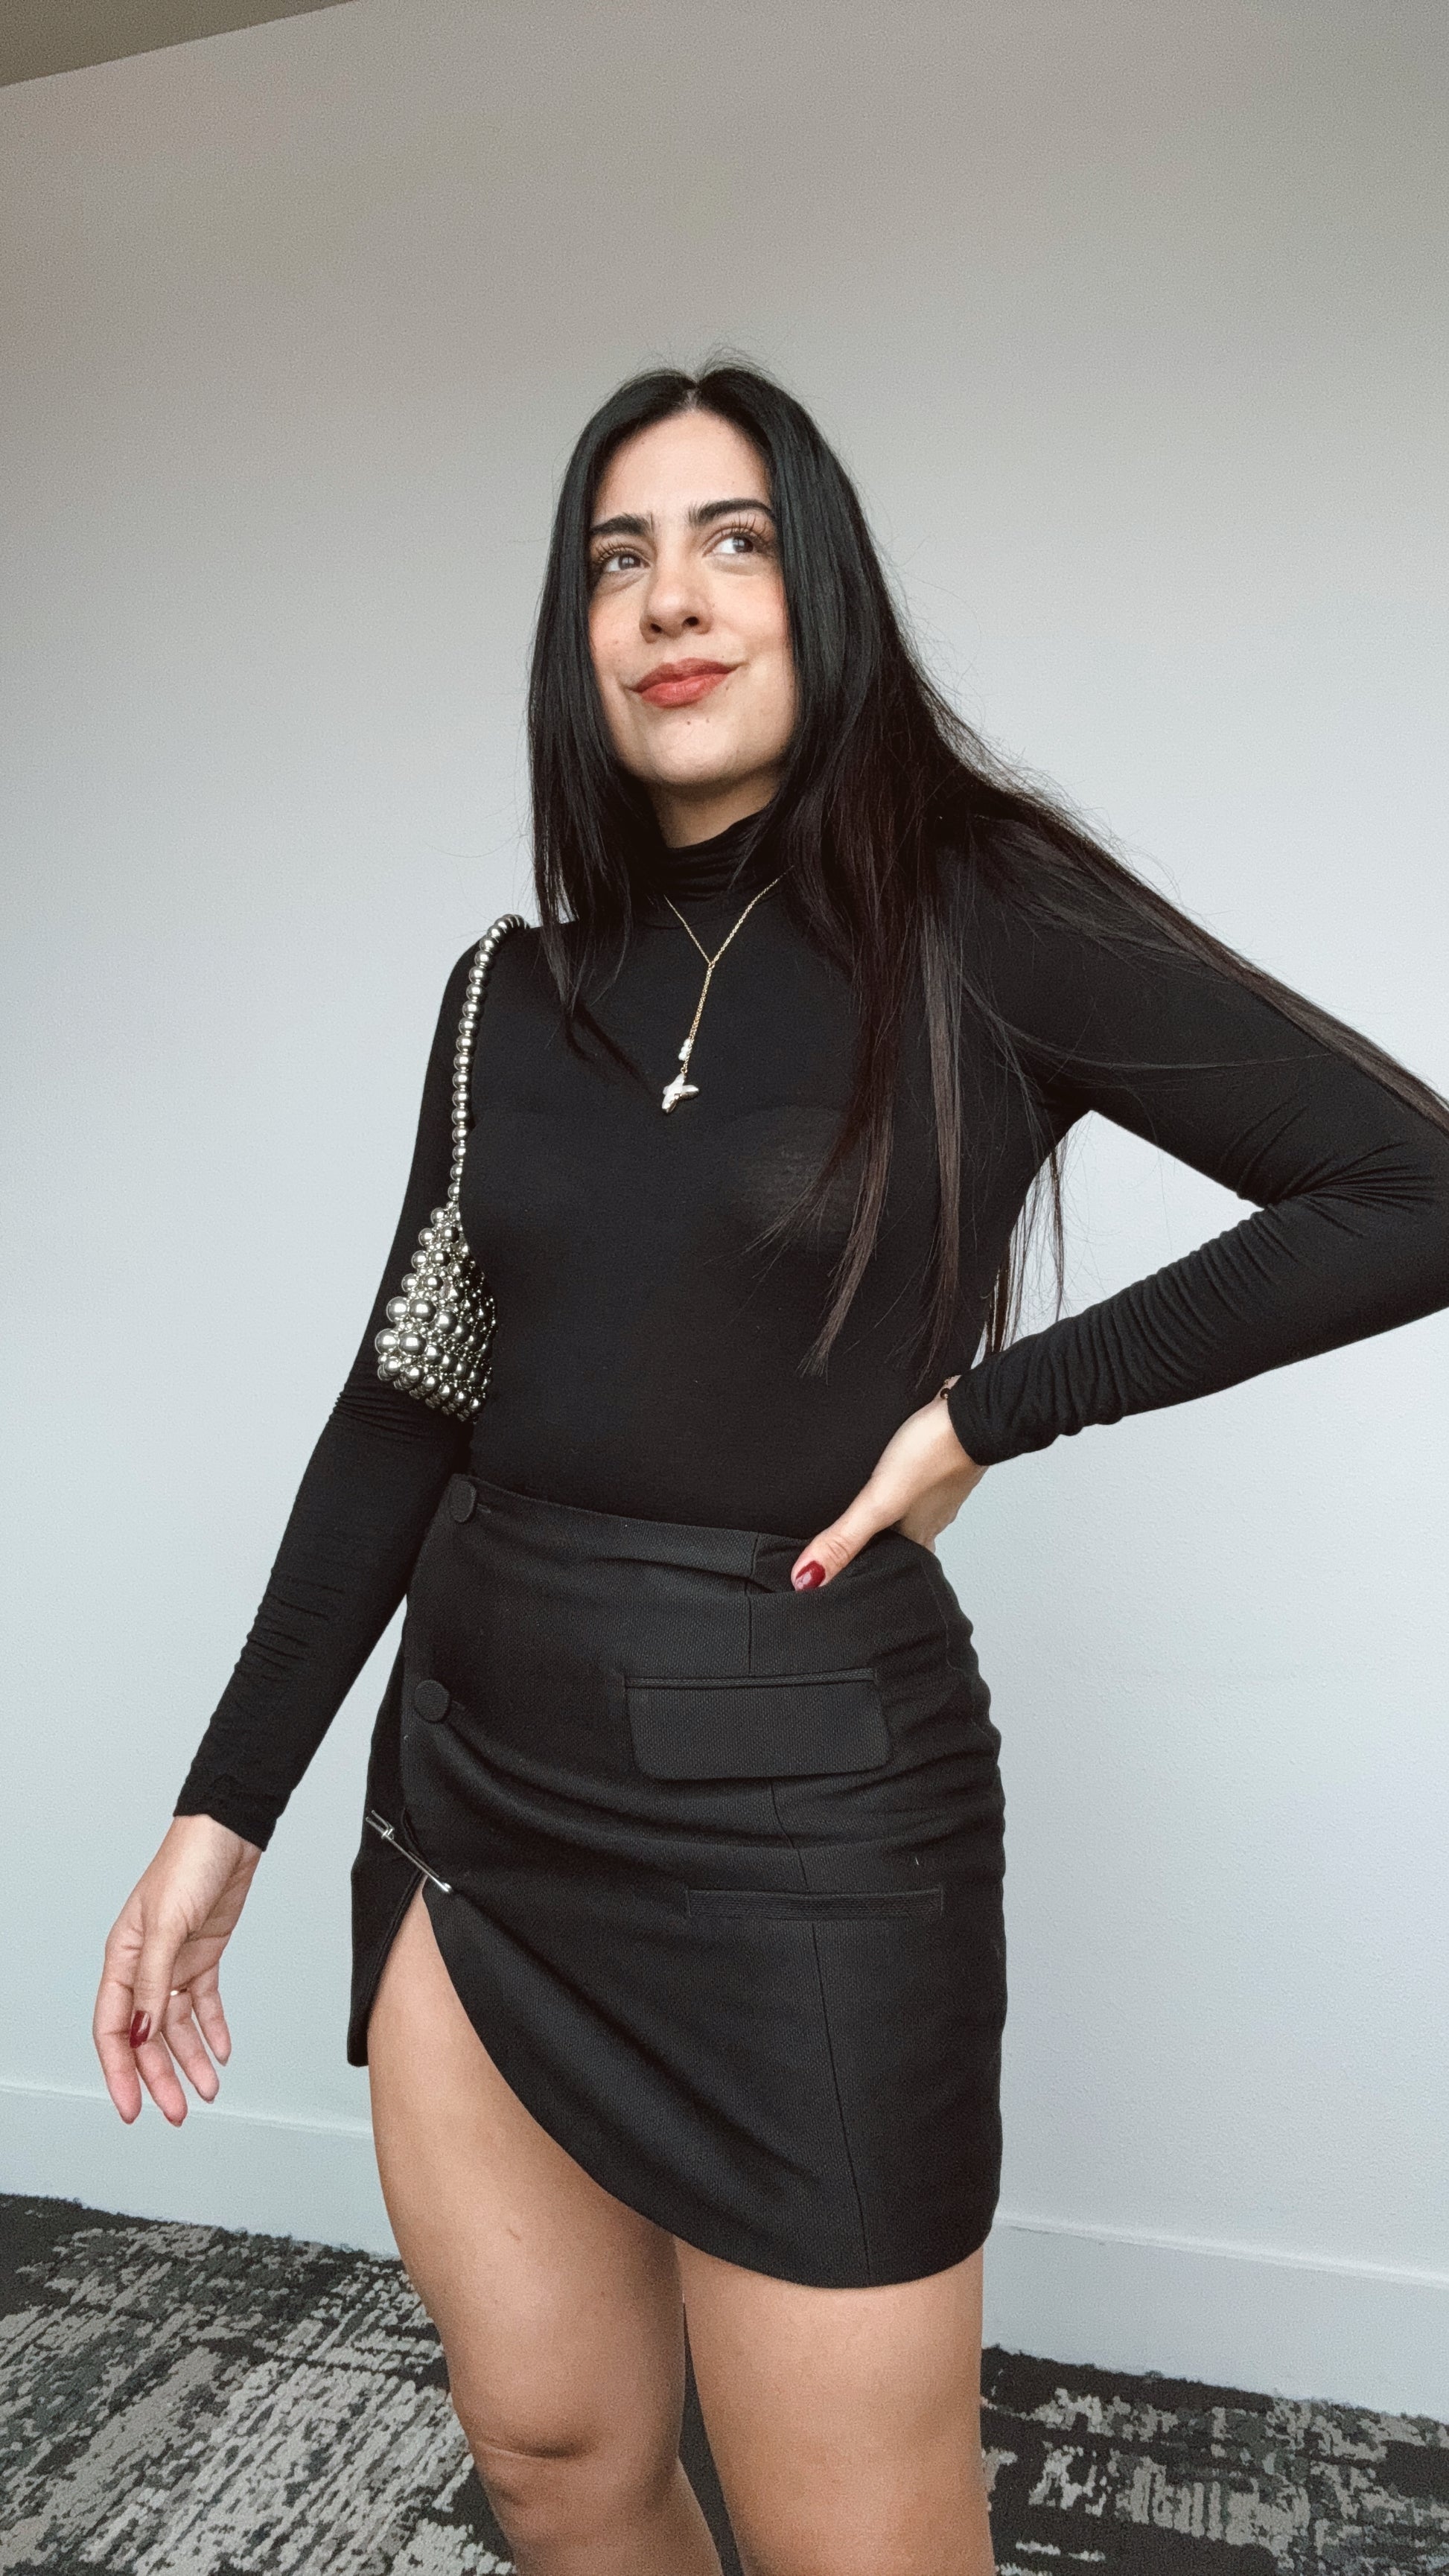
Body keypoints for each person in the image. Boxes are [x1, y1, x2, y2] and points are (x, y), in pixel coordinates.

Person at [94, 363, 1449, 2576]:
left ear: (820, 590)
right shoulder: (504, 1000)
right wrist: (220, 1810)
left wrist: (994, 1407)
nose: (671, 601)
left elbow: (1409, 1185)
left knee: (859, 2543)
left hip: (810, 1815)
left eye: (729, 541)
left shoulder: (981, 914)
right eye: (616, 559)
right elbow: (406, 1406)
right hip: (477, 1795)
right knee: (551, 2460)